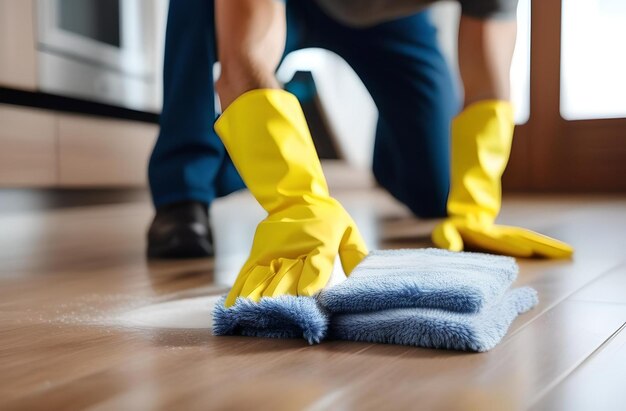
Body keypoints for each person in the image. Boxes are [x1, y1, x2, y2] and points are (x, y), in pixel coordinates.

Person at [147, 0, 573, 306]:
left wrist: (476, 202)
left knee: (438, 189)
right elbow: (244, 56)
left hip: (396, 19)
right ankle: (183, 193)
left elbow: (486, 69)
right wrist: (296, 201)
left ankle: (314, 111)